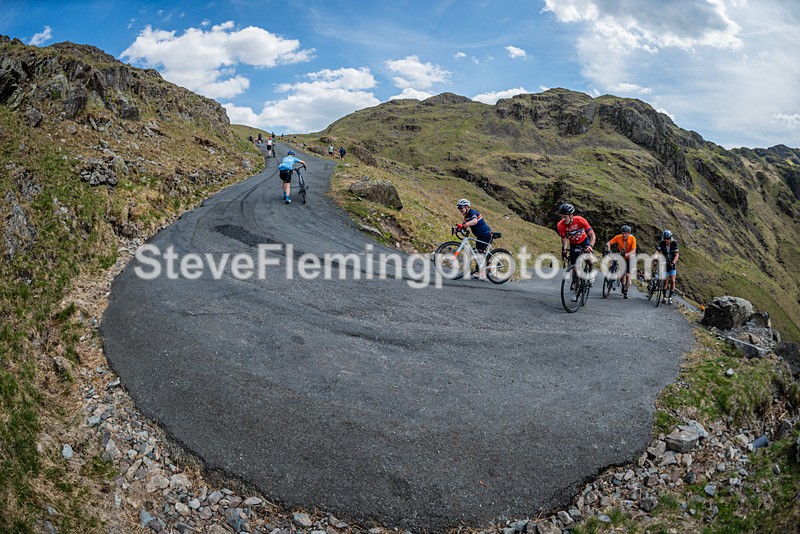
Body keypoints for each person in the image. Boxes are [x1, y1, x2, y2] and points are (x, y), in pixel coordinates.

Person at [455, 198, 493, 280]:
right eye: (459, 208)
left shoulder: (472, 212)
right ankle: (487, 269)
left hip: (485, 235)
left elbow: (475, 221)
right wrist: (458, 229)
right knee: (478, 252)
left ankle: (485, 272)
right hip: (480, 236)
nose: (460, 210)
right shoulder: (466, 216)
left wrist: (465, 225)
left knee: (479, 252)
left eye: (461, 208)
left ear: (466, 207)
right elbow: (465, 225)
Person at [556, 203, 596, 269]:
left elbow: (592, 234)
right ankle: (575, 278)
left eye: (565, 217)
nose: (563, 219)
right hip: (573, 243)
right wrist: (565, 248)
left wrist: (590, 246)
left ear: (571, 216)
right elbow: (563, 237)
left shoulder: (580, 220)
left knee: (589, 258)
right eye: (562, 216)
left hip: (584, 240)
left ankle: (591, 272)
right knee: (574, 265)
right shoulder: (560, 225)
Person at [605, 225, 637, 299]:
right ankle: (623, 285)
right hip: (622, 256)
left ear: (629, 234)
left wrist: (627, 255)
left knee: (628, 275)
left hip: (630, 257)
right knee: (622, 276)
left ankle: (626, 291)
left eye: (626, 233)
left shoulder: (632, 239)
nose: (624, 235)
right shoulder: (618, 237)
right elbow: (609, 243)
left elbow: (633, 251)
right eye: (623, 233)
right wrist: (608, 250)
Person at [656, 229, 680, 304]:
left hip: (671, 263)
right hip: (664, 263)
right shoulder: (662, 242)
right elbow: (658, 251)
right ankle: (664, 297)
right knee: (665, 280)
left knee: (672, 280)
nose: (666, 240)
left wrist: (673, 262)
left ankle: (670, 297)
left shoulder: (674, 243)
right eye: (665, 238)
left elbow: (676, 255)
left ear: (670, 238)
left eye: (667, 239)